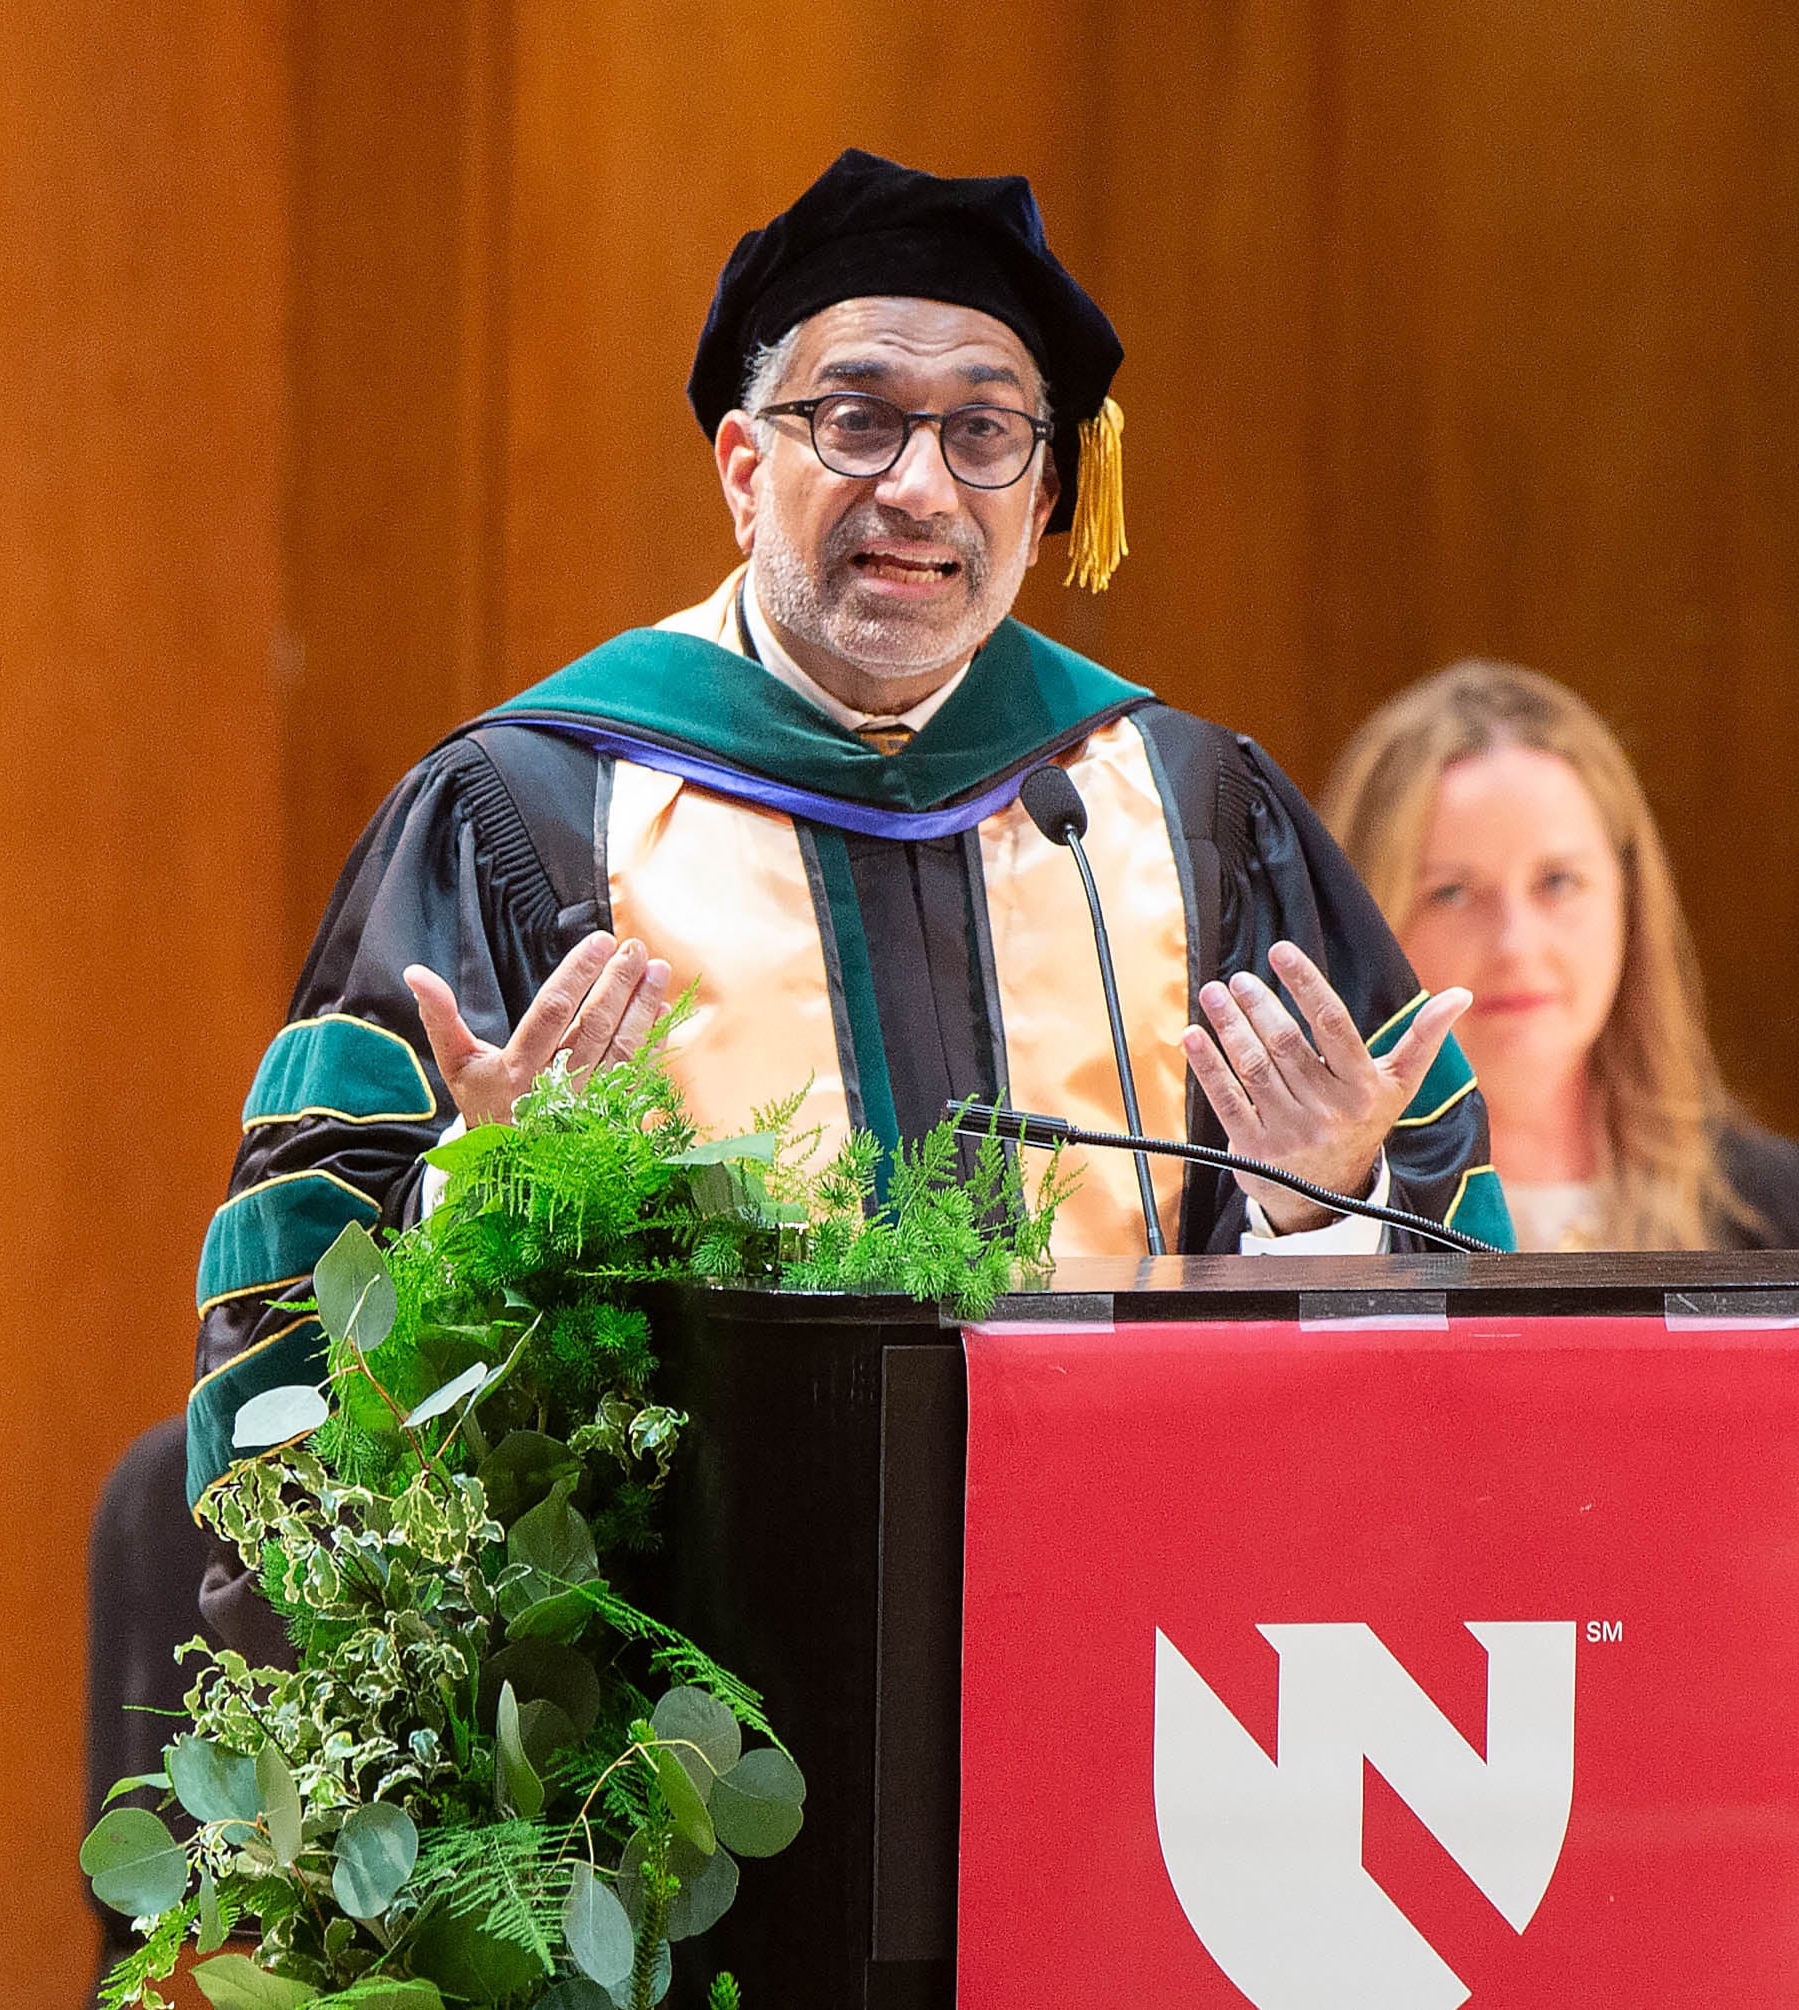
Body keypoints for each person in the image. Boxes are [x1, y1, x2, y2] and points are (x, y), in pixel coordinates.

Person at [187, 149, 1511, 1520]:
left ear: (1050, 493)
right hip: (684, 1698)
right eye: (860, 420)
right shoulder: (529, 810)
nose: (925, 488)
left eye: (986, 433)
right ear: (744, 467)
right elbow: (290, 1341)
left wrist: (1324, 1204)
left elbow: (1449, 1356)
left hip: (1129, 1634)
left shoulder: (1192, 813)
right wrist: (486, 1196)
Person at [1320, 660, 1799, 1250]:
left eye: (1559, 882)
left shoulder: (1769, 1204)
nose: (1515, 945)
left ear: (1629, 900)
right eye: (1451, 892)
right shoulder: (1312, 1219)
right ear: (1363, 926)